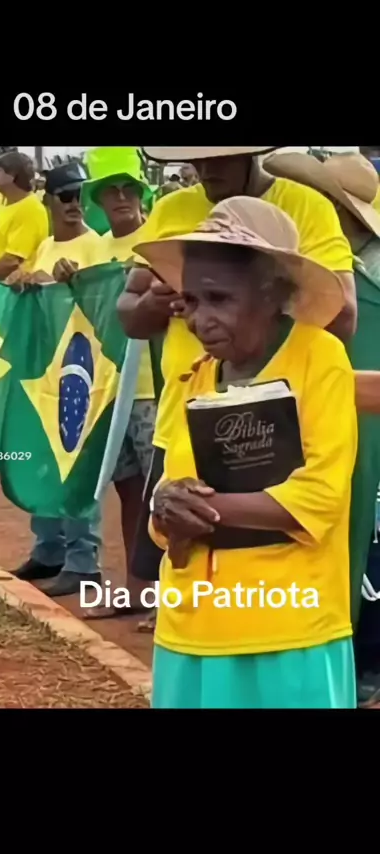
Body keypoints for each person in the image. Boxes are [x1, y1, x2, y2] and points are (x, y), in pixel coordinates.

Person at [134, 196, 357, 709]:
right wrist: (165, 508)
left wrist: (197, 508)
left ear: (272, 291)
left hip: (290, 628)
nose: (200, 320)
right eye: (191, 301)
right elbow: (168, 507)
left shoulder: (319, 359)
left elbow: (320, 497)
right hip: (192, 629)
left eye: (219, 298)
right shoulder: (193, 379)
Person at [117, 146, 356, 598]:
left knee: (273, 556)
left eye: (221, 157)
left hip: (282, 420)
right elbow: (129, 315)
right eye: (196, 159)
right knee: (184, 563)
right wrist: (160, 301)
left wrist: (270, 290)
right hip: (186, 407)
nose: (206, 169)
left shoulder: (305, 206)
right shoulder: (171, 210)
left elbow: (342, 316)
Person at [264, 151, 380, 706]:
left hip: (362, 421)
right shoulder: (296, 265)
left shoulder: (363, 276)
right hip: (313, 416)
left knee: (361, 534)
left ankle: (362, 657)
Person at [12, 163, 103, 597]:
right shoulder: (46, 246)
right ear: (48, 200)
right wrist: (22, 282)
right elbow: (29, 292)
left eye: (80, 195)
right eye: (65, 195)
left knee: (77, 468)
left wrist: (71, 284)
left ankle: (83, 562)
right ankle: (48, 549)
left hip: (82, 372)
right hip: (46, 373)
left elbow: (103, 306)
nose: (74, 203)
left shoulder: (96, 246)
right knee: (46, 463)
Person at [79, 157, 157, 620]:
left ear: (142, 193)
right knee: (129, 491)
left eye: (129, 187)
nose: (122, 197)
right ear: (100, 199)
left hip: (153, 387)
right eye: (112, 189)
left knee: (161, 493)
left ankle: (172, 595)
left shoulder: (158, 239)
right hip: (108, 390)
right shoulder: (95, 250)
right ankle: (137, 587)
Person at [0, 152, 49, 282]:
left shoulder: (30, 209)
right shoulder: (10, 205)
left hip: (11, 289)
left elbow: (12, 261)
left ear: (12, 175)